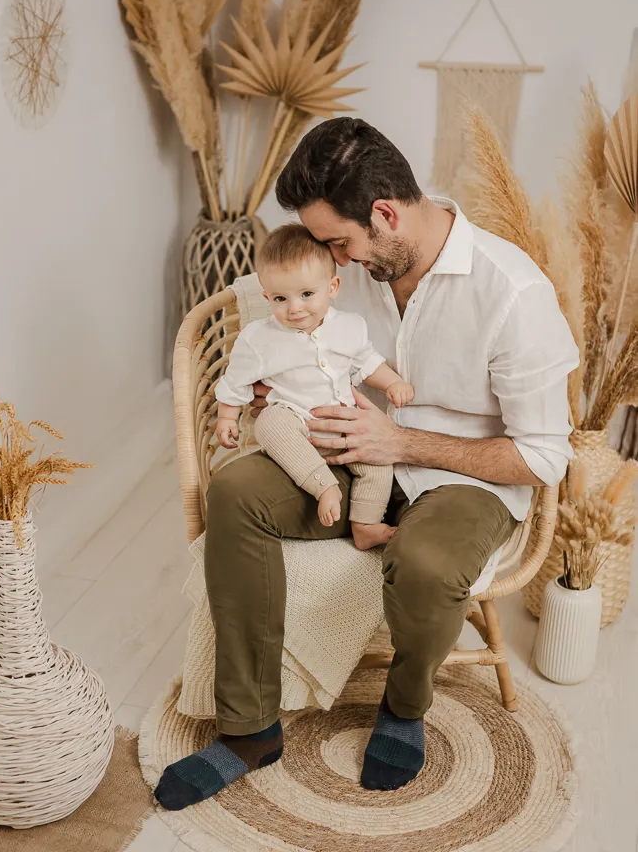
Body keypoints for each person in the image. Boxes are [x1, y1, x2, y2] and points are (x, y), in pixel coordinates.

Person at [155, 117, 578, 810]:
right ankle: (248, 729)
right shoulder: (347, 271)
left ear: (384, 215)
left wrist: (403, 444)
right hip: (342, 452)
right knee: (235, 493)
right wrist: (273, 378)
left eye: (337, 243)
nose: (334, 263)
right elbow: (287, 313)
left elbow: (542, 455)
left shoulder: (512, 295)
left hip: (462, 476)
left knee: (428, 562)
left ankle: (403, 710)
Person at [215, 223, 415, 551]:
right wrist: (226, 418)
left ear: (332, 287)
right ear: (266, 296)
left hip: (342, 426)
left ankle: (365, 525)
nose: (294, 308)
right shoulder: (258, 339)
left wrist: (392, 382)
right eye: (280, 298)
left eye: (307, 294)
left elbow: (366, 363)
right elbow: (235, 382)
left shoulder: (348, 327)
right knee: (269, 423)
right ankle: (324, 487)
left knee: (379, 465)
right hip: (295, 425)